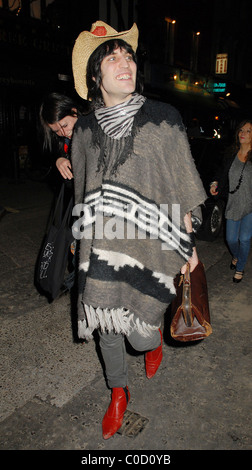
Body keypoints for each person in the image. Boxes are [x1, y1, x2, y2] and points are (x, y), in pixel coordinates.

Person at [71, 21, 206, 440]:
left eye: (127, 55)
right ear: (96, 75)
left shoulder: (164, 119)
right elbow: (83, 187)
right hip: (102, 244)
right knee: (107, 330)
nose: (124, 62)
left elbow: (181, 183)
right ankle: (118, 392)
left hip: (151, 244)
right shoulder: (83, 130)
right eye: (112, 57)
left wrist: (189, 245)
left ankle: (154, 341)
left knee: (141, 338)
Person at [210, 120, 252, 283]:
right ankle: (236, 256)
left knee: (245, 239)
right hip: (233, 204)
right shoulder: (230, 154)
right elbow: (220, 174)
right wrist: (214, 184)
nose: (243, 133)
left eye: (248, 131)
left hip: (249, 206)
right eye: (241, 130)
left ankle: (240, 268)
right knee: (231, 240)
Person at [39, 92, 83, 181]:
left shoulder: (93, 131)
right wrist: (58, 160)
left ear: (74, 112)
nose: (63, 133)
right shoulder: (60, 141)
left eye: (65, 125)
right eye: (56, 131)